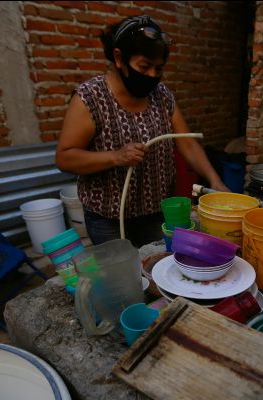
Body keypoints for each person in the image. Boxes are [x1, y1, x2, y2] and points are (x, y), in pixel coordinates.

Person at [55, 15, 230, 248]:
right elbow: (65, 158)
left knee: (159, 268)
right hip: (108, 219)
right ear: (119, 58)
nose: (152, 76)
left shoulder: (163, 96)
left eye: (159, 68)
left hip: (156, 212)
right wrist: (116, 157)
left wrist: (214, 180)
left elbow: (187, 143)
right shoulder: (91, 98)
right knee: (123, 279)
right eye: (144, 66)